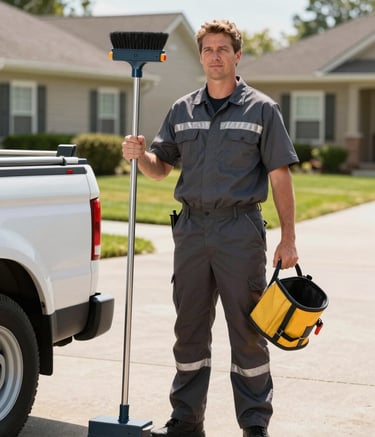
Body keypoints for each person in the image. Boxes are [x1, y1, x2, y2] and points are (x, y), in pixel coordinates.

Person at [122, 19, 299, 437]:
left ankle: (254, 423)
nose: (214, 56)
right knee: (189, 329)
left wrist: (289, 237)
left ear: (238, 56)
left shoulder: (262, 109)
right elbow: (161, 168)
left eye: (223, 49)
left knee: (247, 331)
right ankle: (186, 420)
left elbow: (280, 176)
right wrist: (140, 155)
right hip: (191, 231)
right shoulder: (182, 109)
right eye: (207, 50)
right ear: (200, 56)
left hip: (239, 230)